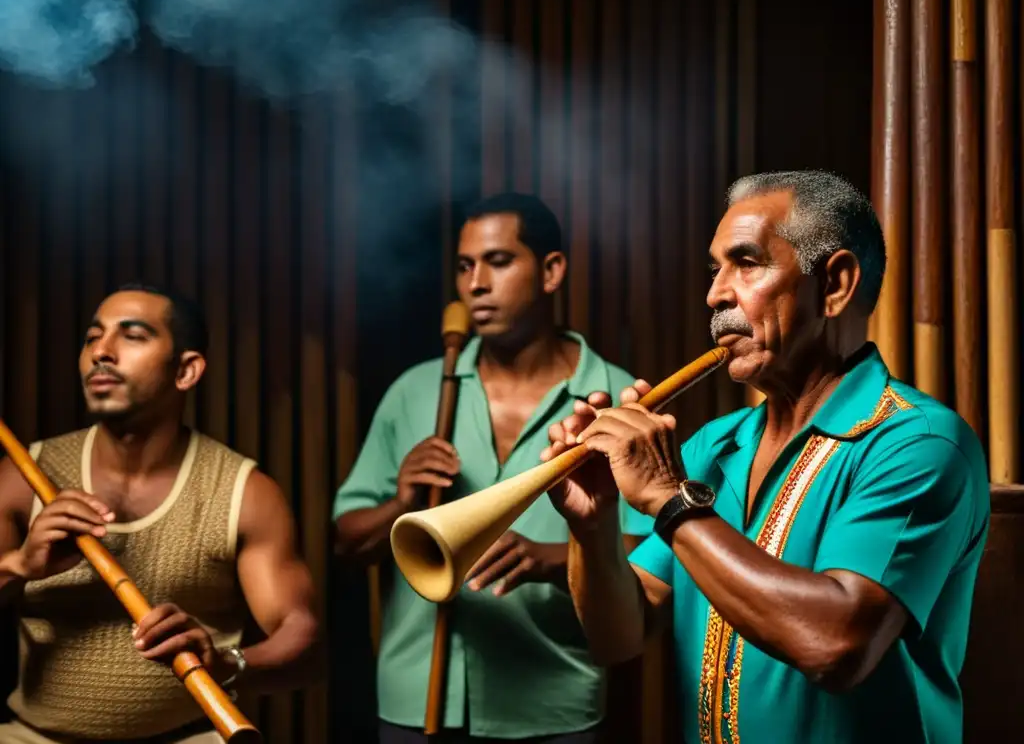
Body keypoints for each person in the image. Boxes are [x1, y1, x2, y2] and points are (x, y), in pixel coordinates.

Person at [543, 171, 990, 744]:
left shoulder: (921, 444)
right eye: (715, 269)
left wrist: (667, 500)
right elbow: (618, 638)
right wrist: (594, 524)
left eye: (747, 263)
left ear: (834, 284)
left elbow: (835, 646)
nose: (716, 294)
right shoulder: (713, 444)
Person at [333, 192, 652, 743]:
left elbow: (661, 550)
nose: (475, 283)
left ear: (552, 271)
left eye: (499, 262)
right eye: (464, 266)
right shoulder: (414, 393)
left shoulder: (618, 400)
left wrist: (558, 558)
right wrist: (403, 503)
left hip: (553, 703)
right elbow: (346, 543)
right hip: (414, 703)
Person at [0, 284, 321, 744]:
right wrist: (19, 565)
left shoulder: (244, 492)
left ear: (187, 370)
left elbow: (305, 643)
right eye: (92, 338)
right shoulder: (23, 476)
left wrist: (226, 663)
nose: (101, 353)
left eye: (132, 336)